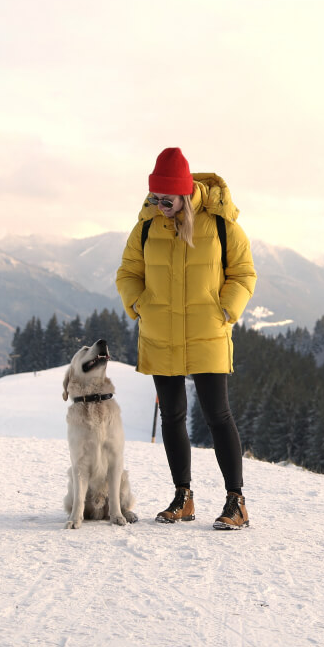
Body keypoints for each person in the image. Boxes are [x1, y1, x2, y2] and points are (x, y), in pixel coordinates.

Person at [115, 147, 257, 529]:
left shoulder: (221, 224)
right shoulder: (146, 226)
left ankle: (236, 502)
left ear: (185, 193)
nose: (159, 205)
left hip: (207, 333)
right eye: (155, 198)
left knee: (217, 416)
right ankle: (183, 498)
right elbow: (128, 272)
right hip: (162, 333)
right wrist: (140, 304)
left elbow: (244, 273)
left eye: (167, 199)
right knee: (172, 415)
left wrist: (226, 309)